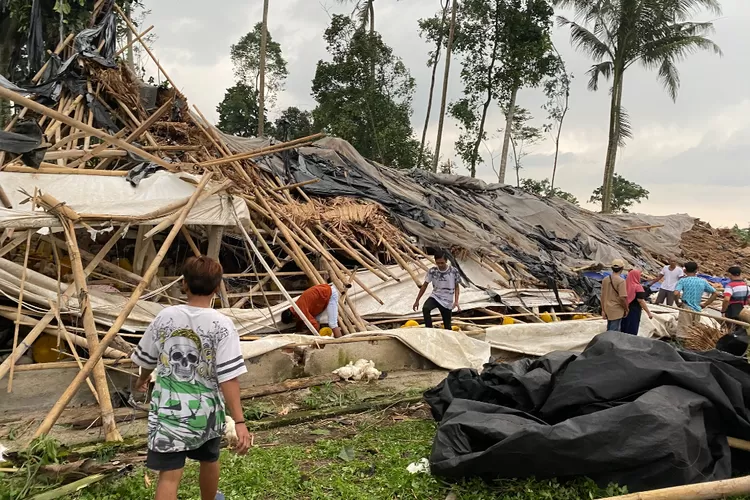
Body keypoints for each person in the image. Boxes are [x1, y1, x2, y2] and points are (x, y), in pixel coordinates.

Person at [132, 256, 250, 500]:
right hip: (205, 412)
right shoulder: (223, 325)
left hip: (168, 414)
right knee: (209, 459)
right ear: (217, 287)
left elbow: (147, 360)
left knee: (169, 475)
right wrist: (239, 421)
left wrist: (142, 379)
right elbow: (229, 378)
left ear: (183, 284)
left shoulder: (165, 317)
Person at [412, 251, 461, 330]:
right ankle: (429, 330)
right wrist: (417, 300)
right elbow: (424, 285)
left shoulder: (453, 271)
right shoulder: (433, 271)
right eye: (438, 263)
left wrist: (456, 301)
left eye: (442, 263)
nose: (440, 265)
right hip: (435, 296)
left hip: (447, 300)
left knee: (447, 326)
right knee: (426, 308)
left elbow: (457, 287)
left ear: (446, 261)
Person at [674, 261, 719, 335]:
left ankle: (682, 345)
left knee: (684, 331)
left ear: (684, 270)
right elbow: (715, 293)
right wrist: (705, 304)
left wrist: (677, 302)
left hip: (686, 308)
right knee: (694, 330)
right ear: (696, 270)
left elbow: (676, 293)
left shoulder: (683, 281)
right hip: (697, 308)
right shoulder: (702, 281)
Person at [621, 269, 654, 335]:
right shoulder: (638, 287)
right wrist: (648, 313)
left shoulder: (624, 284)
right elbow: (641, 301)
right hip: (634, 310)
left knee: (623, 326)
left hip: (623, 308)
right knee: (632, 328)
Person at [600, 259, 629, 332]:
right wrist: (626, 309)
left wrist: (603, 310)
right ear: (622, 268)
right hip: (616, 310)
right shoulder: (621, 281)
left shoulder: (605, 279)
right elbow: (622, 298)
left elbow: (602, 296)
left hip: (607, 308)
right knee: (614, 332)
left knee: (609, 330)